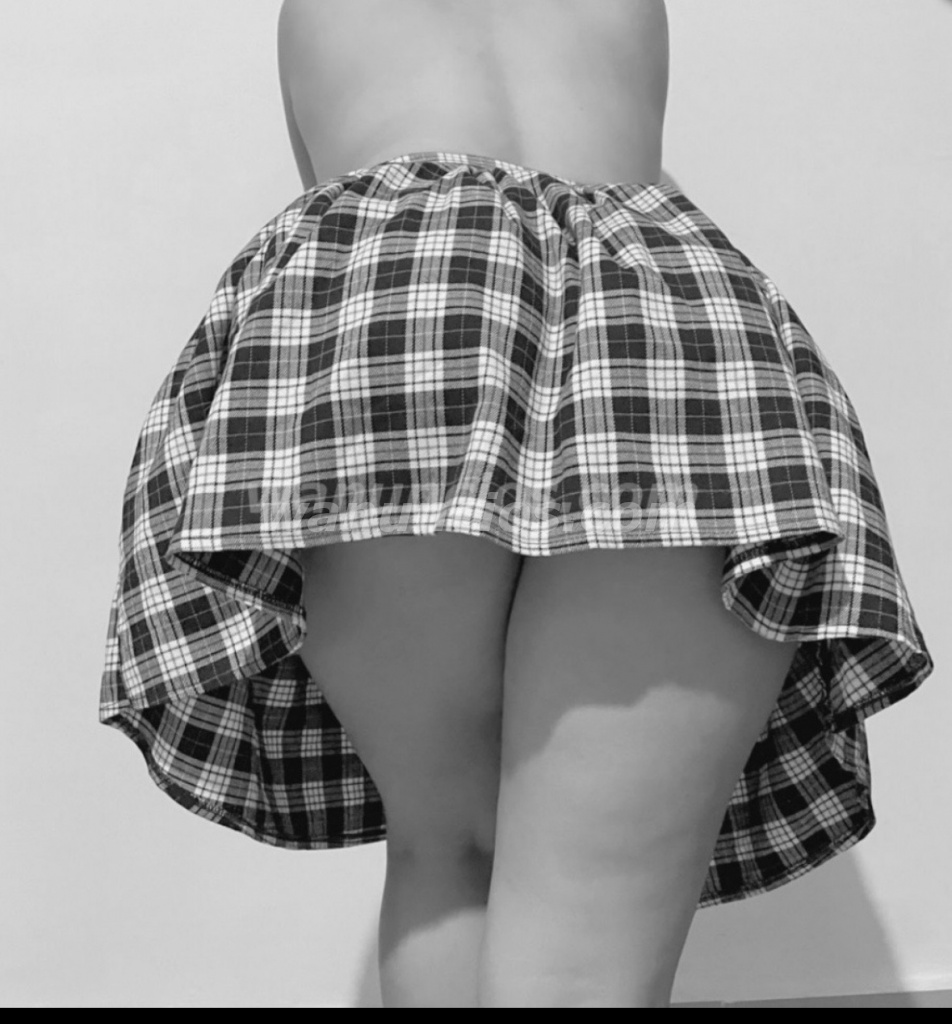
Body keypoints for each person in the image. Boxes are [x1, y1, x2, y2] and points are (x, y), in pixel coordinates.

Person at [99, 0, 935, 1009]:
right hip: (668, 337)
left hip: (392, 308)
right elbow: (606, 191)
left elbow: (340, 188)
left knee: (450, 844)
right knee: (588, 943)